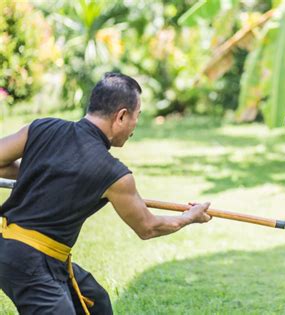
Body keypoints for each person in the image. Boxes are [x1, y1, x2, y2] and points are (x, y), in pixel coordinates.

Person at [0, 72, 212, 314]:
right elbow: (148, 227)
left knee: (95, 303)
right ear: (121, 116)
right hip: (30, 262)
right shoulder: (113, 173)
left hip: (21, 250)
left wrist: (43, 172)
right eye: (136, 117)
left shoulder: (42, 127)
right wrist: (189, 217)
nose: (135, 126)